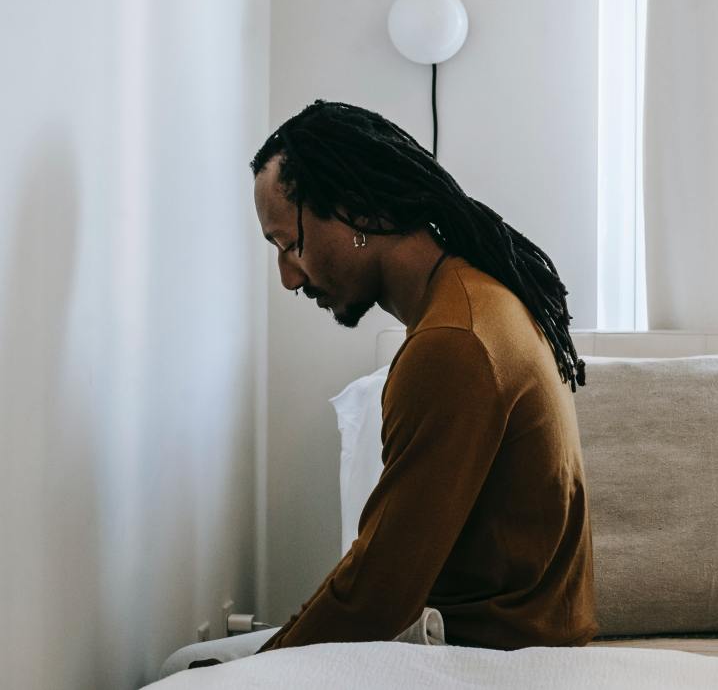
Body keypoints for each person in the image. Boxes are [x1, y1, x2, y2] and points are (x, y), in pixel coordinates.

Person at [162, 100, 595, 676]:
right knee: (187, 661)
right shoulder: (479, 297)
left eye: (290, 245)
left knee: (185, 670)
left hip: (483, 657)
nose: (289, 277)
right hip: (516, 636)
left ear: (355, 210)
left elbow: (377, 594)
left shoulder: (453, 344)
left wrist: (261, 669)